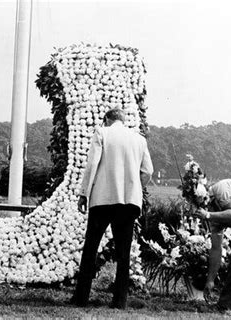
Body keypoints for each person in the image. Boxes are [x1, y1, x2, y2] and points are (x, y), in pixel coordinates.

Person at [70, 108, 153, 309]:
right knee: (124, 253)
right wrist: (134, 187)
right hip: (129, 201)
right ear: (123, 120)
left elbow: (92, 165)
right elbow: (148, 171)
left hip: (103, 199)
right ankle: (119, 301)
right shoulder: (139, 140)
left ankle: (81, 298)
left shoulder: (102, 133)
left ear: (107, 119)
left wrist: (84, 193)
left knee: (90, 248)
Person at [193, 179, 231, 313]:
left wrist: (208, 215)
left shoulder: (221, 188)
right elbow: (216, 249)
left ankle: (223, 306)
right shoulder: (215, 214)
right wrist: (210, 281)